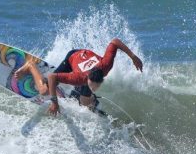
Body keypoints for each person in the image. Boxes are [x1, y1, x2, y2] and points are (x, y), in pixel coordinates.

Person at [14, 38, 143, 115]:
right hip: (72, 58)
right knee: (44, 90)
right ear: (87, 79)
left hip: (83, 58)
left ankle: (85, 97)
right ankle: (30, 66)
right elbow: (53, 76)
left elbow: (114, 42)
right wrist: (55, 103)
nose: (94, 87)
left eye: (96, 86)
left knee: (85, 102)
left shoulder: (106, 65)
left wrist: (133, 56)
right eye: (92, 85)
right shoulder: (78, 77)